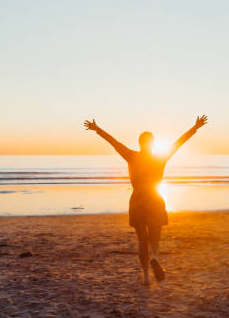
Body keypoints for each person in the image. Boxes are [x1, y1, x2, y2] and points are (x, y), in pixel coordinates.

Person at [84, 115, 208, 285]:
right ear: (152, 144)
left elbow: (114, 142)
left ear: (140, 143)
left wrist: (97, 129)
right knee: (155, 237)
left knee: (142, 240)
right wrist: (195, 128)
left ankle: (146, 276)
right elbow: (179, 143)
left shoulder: (131, 156)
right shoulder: (160, 158)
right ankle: (155, 257)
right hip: (155, 198)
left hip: (137, 199)